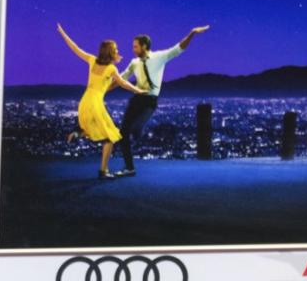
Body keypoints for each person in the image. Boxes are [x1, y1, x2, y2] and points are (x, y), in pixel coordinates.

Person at [115, 26, 210, 174]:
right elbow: (121, 79)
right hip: (136, 98)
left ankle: (137, 135)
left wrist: (191, 33)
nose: (133, 49)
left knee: (135, 130)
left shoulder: (159, 57)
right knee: (123, 132)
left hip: (150, 101)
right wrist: (103, 88)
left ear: (144, 46)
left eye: (135, 46)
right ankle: (129, 167)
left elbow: (178, 48)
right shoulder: (134, 63)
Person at [56, 27, 143, 179]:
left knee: (94, 129)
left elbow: (75, 48)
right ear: (110, 52)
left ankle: (77, 133)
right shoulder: (111, 68)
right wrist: (138, 91)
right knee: (110, 137)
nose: (117, 51)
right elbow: (123, 83)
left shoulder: (91, 60)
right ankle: (103, 171)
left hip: (84, 101)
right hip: (96, 102)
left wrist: (63, 34)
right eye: (115, 49)